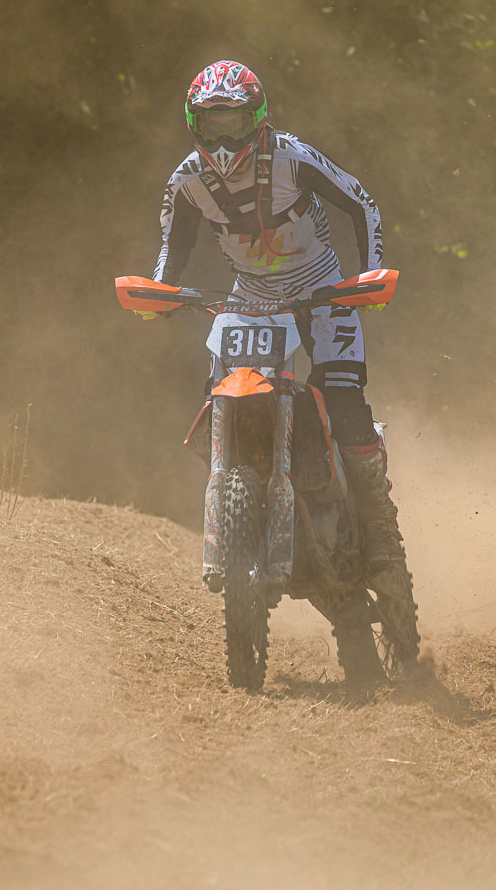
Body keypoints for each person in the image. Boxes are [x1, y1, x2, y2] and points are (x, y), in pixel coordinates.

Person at [138, 59, 407, 599]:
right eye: (212, 124)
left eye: (233, 123)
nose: (223, 138)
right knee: (218, 394)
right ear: (194, 124)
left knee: (346, 402)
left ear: (257, 119)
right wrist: (158, 291)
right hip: (250, 296)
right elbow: (173, 246)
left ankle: (381, 530)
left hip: (320, 288)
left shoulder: (292, 157)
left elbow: (362, 202)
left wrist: (371, 271)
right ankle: (243, 498)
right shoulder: (186, 181)